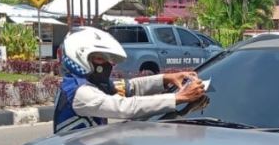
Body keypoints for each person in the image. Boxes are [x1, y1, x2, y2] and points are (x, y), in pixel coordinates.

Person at [54, 26, 206, 134]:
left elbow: (130, 87)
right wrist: (178, 98)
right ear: (80, 58)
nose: (108, 65)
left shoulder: (90, 84)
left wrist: (166, 79)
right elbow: (125, 108)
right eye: (100, 59)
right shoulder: (80, 92)